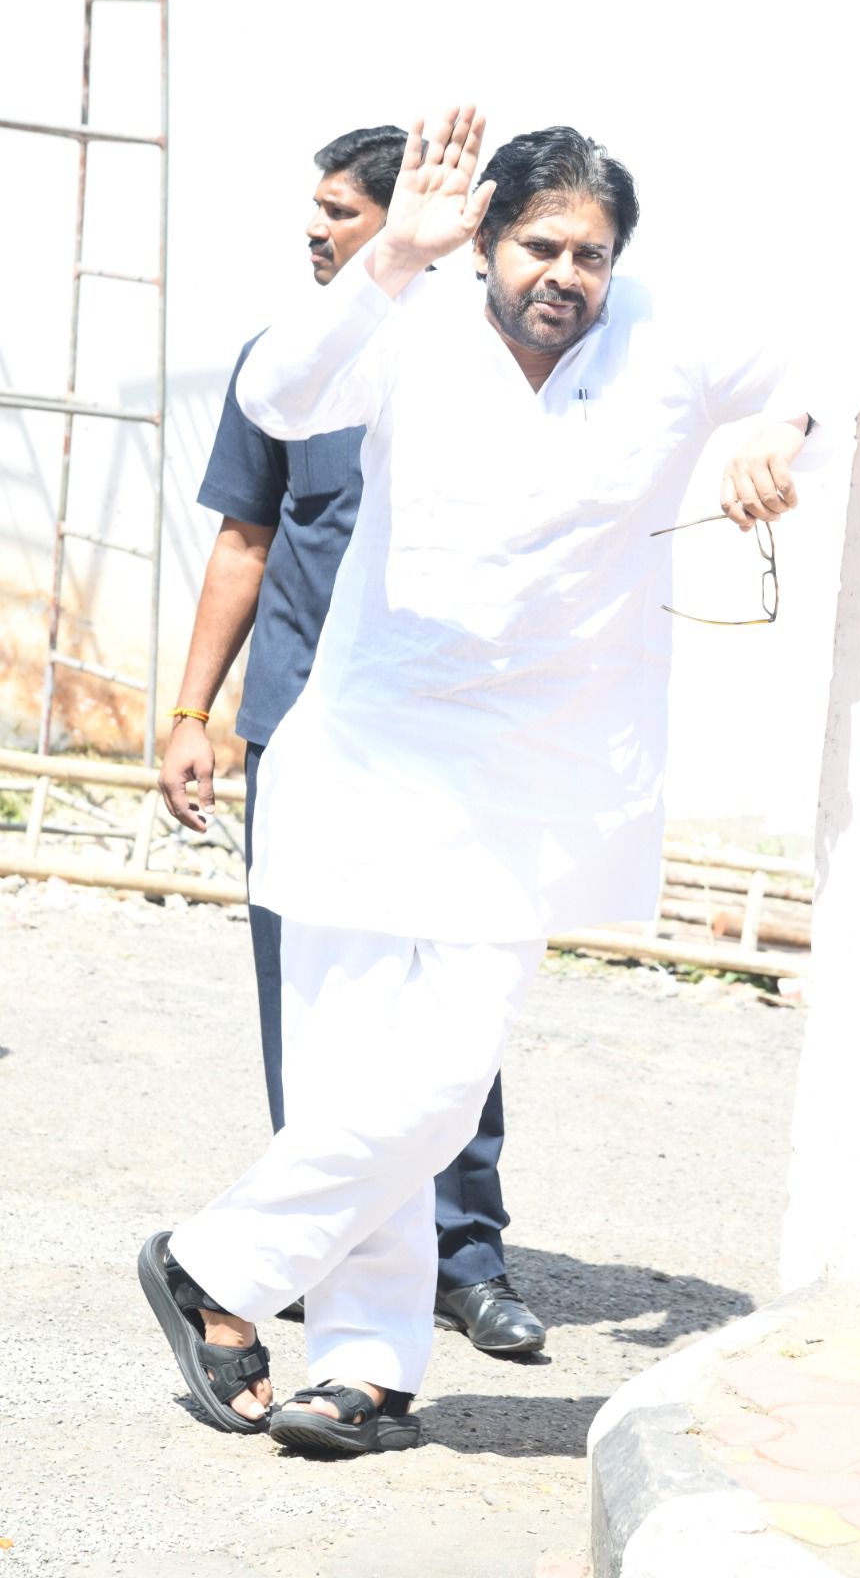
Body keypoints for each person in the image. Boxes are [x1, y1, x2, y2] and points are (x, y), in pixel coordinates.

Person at [141, 107, 860, 1457]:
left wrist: (782, 423)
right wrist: (391, 258)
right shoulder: (408, 316)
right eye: (540, 245)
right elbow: (280, 399)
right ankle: (365, 1370)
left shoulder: (662, 333)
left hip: (530, 784)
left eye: (590, 254)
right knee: (350, 1086)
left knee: (440, 1082)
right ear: (485, 238)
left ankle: (215, 1266)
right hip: (365, 753)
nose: (565, 274)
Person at [157, 124, 545, 1357]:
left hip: (439, 739)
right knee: (318, 1022)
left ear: (416, 226)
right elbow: (244, 539)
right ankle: (316, 1255)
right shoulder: (284, 363)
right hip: (300, 733)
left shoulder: (479, 362)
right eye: (316, 208)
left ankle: (465, 1258)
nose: (315, 229)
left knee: (449, 1017)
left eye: (339, 210)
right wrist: (192, 713)